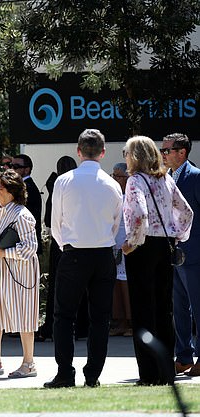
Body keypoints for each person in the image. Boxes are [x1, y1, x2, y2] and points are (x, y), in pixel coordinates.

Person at [46, 128, 123, 389]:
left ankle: (65, 372)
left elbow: (55, 223)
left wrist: (67, 245)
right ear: (102, 153)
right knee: (100, 318)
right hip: (102, 254)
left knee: (63, 316)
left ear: (79, 152)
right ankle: (93, 375)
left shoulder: (64, 181)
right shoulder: (112, 184)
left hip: (74, 253)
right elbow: (116, 224)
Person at [122, 135, 193, 386]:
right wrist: (178, 237)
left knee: (143, 311)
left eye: (127, 153)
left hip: (143, 247)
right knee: (165, 309)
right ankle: (166, 371)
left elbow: (139, 213)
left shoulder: (135, 181)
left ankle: (149, 374)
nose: (126, 158)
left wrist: (133, 242)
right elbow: (186, 212)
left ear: (136, 156)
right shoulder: (166, 179)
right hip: (165, 244)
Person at [0, 169, 39, 377]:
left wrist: (6, 252)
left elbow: (31, 247)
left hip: (18, 272)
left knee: (24, 314)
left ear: (12, 191)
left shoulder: (22, 215)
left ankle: (29, 363)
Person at [160, 133, 200, 376]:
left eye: (166, 150)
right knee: (179, 309)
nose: (163, 154)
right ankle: (183, 356)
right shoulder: (165, 178)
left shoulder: (195, 177)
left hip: (194, 255)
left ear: (181, 152)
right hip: (172, 255)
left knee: (198, 308)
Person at [36, 155, 78, 342]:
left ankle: (54, 325)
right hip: (80, 241)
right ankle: (79, 325)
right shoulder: (79, 187)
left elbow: (48, 219)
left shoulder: (57, 186)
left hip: (60, 241)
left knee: (57, 285)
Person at [109, 163, 132, 338]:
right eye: (113, 175)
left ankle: (131, 322)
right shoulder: (114, 195)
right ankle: (119, 321)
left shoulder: (131, 196)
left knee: (126, 284)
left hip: (127, 244)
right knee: (115, 283)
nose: (114, 179)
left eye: (118, 176)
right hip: (112, 244)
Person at [11, 154, 42, 255]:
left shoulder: (27, 187)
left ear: (27, 170)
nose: (12, 169)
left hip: (27, 243)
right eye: (11, 166)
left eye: (16, 167)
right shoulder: (21, 186)